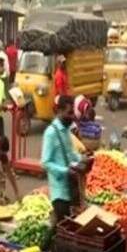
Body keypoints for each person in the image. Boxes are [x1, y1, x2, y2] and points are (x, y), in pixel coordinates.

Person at [41, 96, 82, 224]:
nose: (72, 116)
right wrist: (65, 171)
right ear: (59, 111)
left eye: (72, 112)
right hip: (59, 192)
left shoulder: (66, 130)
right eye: (69, 113)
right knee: (62, 226)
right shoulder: (51, 133)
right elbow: (45, 162)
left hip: (71, 188)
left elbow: (70, 153)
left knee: (72, 224)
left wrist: (82, 159)